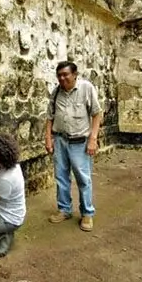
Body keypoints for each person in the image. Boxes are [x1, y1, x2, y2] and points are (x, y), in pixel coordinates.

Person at [44, 60, 102, 232]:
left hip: (80, 143)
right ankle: (64, 210)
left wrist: (93, 138)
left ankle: (87, 213)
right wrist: (48, 138)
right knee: (61, 178)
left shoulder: (86, 88)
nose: (62, 78)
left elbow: (97, 114)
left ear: (75, 75)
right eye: (59, 75)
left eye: (65, 75)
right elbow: (49, 117)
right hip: (60, 141)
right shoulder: (56, 93)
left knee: (83, 179)